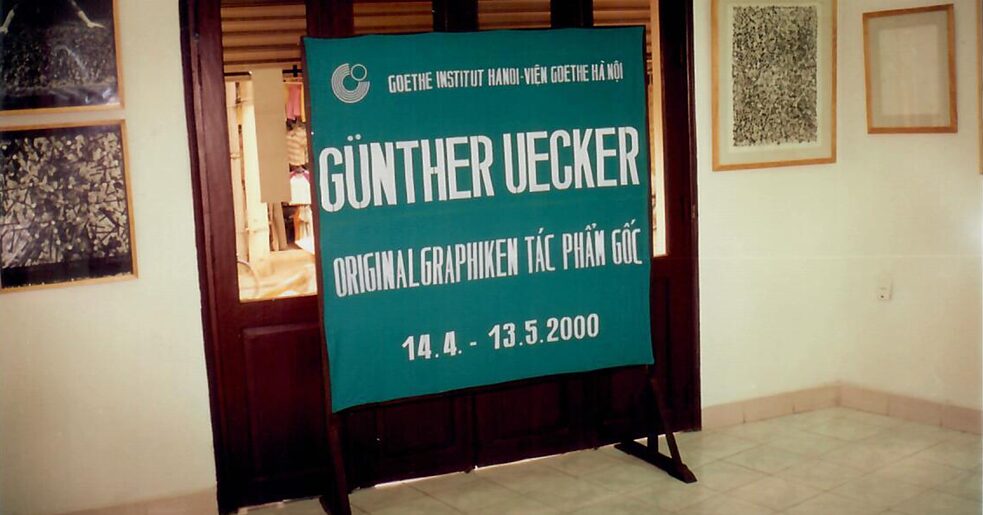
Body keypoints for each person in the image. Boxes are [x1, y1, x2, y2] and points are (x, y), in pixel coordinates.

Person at [0, 0, 105, 35]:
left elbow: (74, 6)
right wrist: (5, 26)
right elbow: (14, 10)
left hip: (51, 19)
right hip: (34, 20)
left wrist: (88, 22)